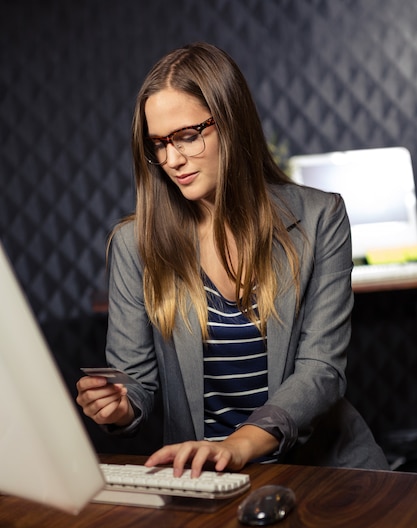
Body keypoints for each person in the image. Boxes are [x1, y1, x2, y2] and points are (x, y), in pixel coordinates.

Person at [76, 42, 388, 475]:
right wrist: (120, 407)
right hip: (206, 476)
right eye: (158, 144)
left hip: (325, 470)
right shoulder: (135, 244)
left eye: (187, 136)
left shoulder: (321, 218)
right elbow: (137, 385)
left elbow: (321, 370)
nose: (172, 159)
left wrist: (241, 444)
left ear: (231, 122)